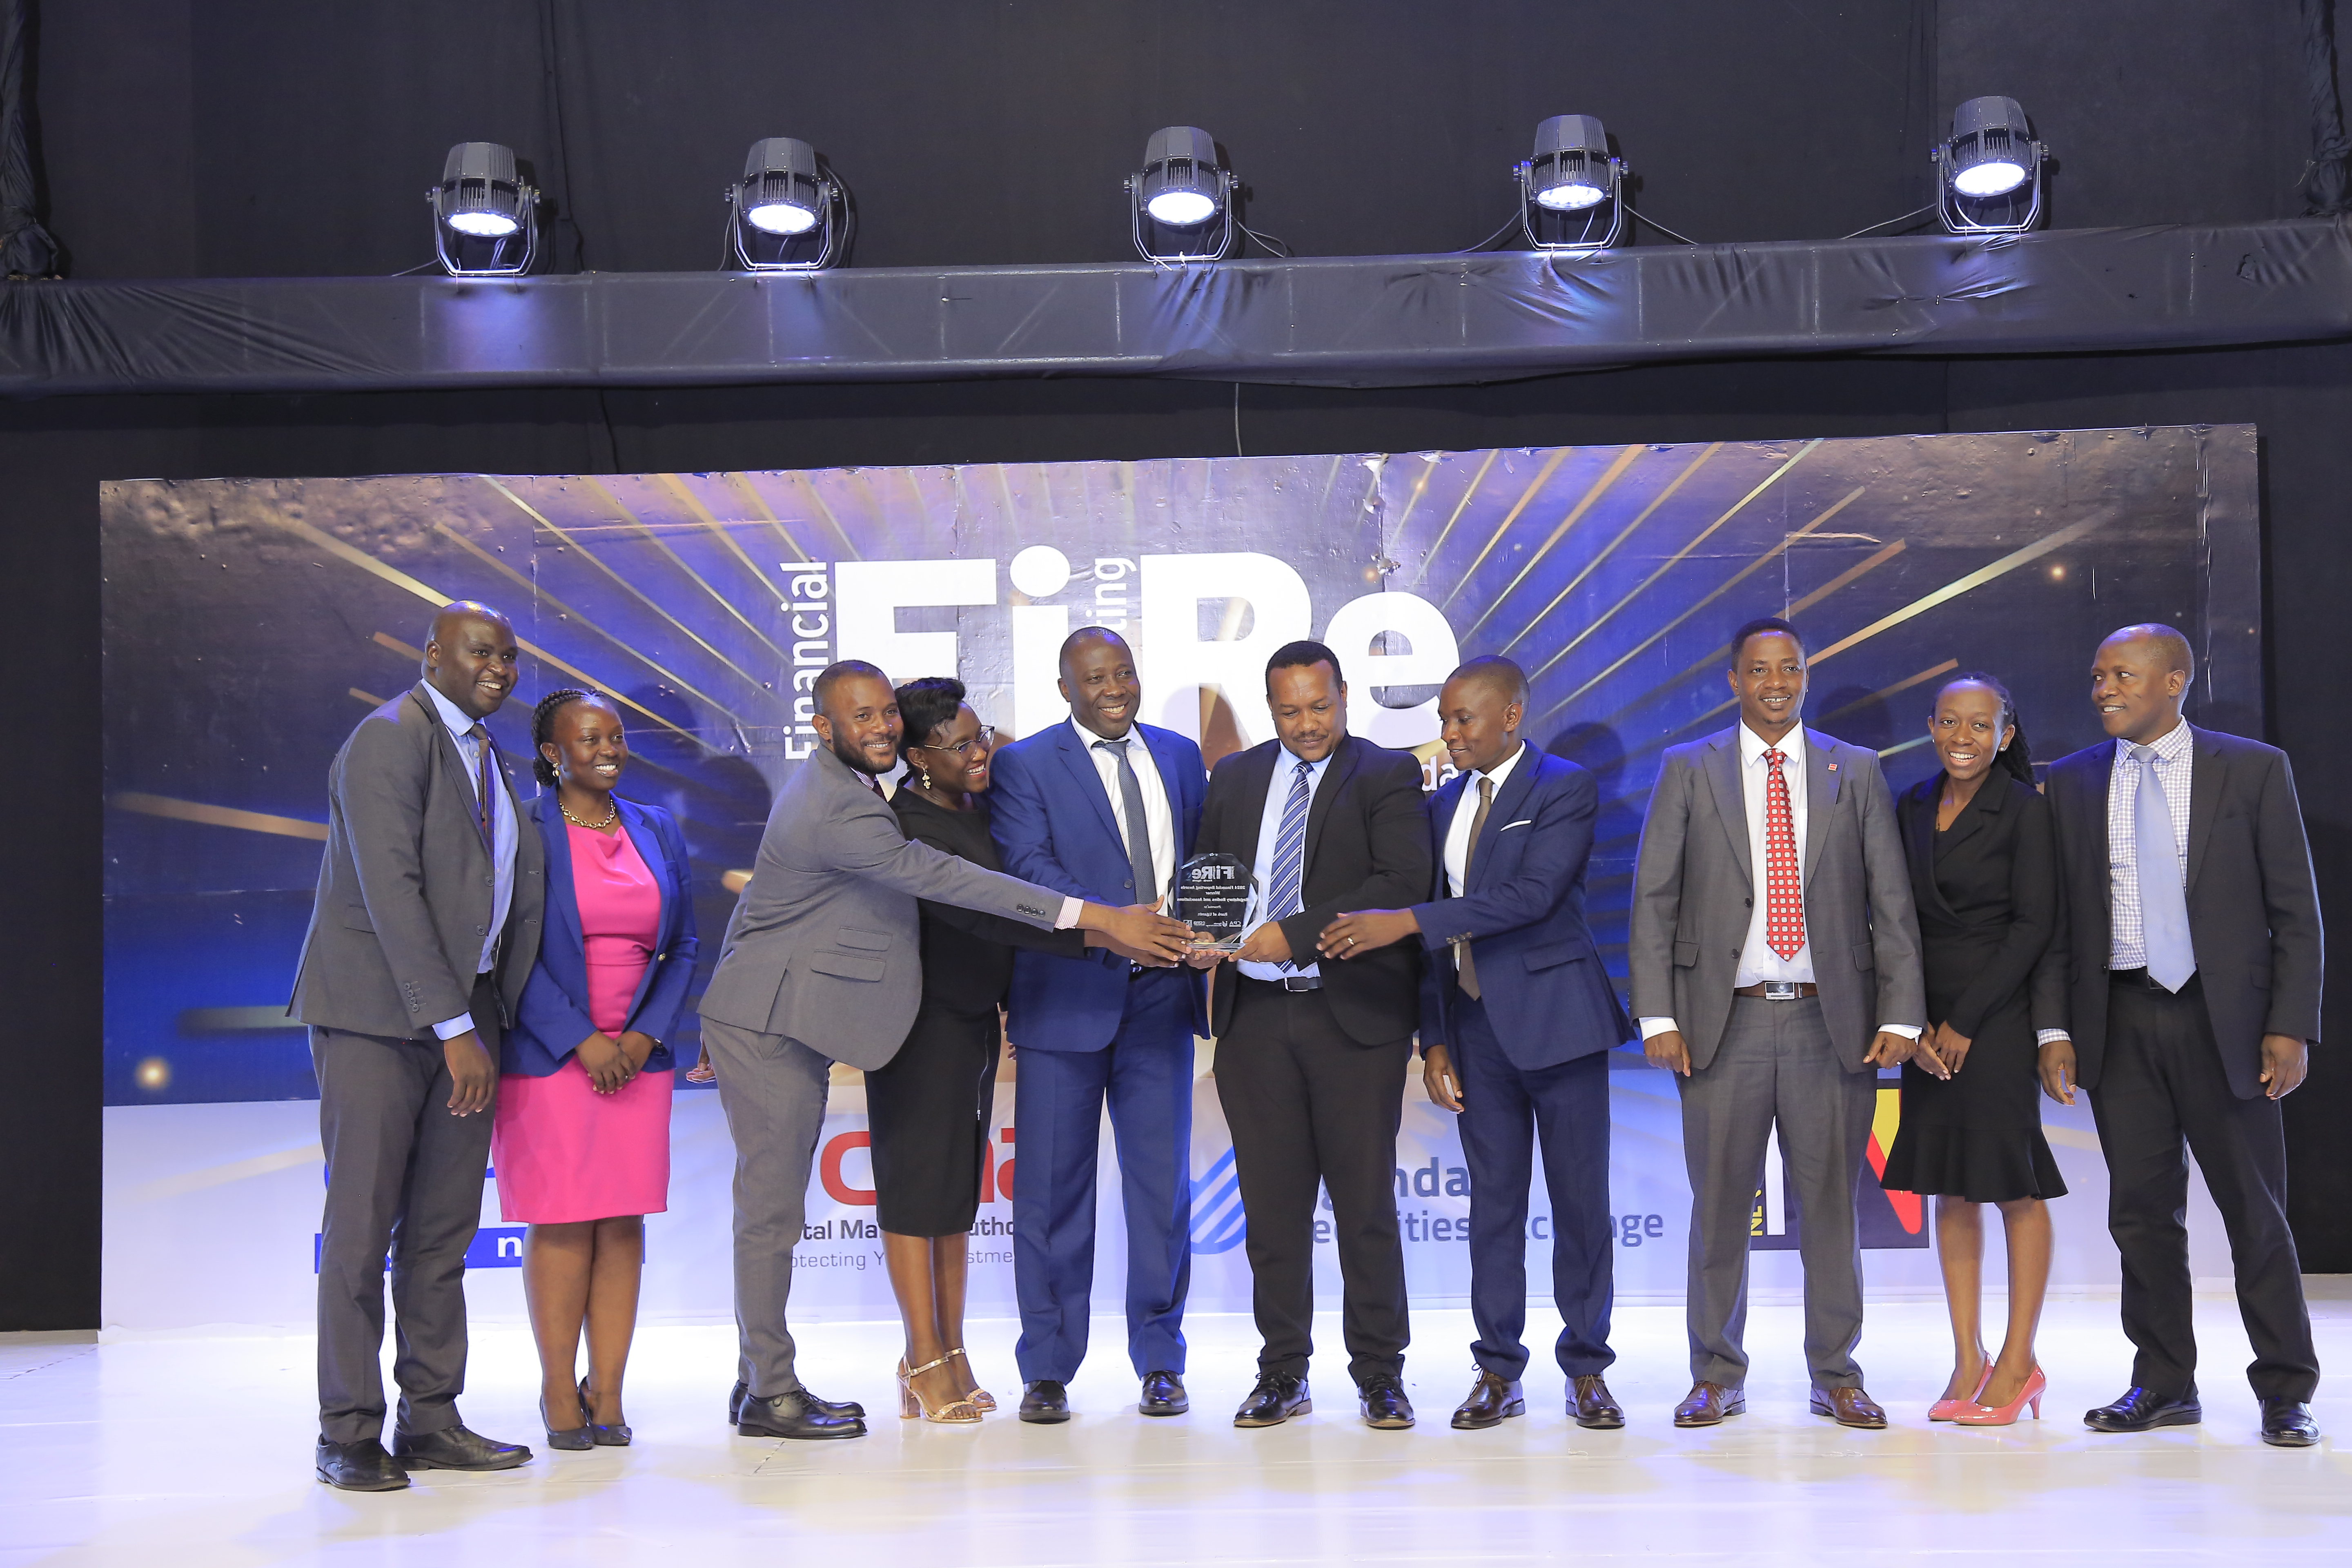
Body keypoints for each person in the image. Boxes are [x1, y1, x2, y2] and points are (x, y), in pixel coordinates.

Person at [695, 660, 1190, 1441]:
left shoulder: (860, 788)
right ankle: (770, 1390)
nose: (882, 727)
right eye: (861, 718)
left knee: (788, 1210)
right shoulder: (844, 807)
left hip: (791, 1010)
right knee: (773, 1215)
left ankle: (766, 1376)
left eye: (886, 713)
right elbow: (953, 884)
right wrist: (1102, 918)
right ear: (824, 729)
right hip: (772, 1022)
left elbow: (764, 901)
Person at [1321, 655, 1635, 1433]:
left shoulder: (1564, 786)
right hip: (1474, 1032)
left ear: (1512, 717)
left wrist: (1405, 922)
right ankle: (1498, 1370)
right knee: (1493, 1208)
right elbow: (1435, 942)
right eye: (1444, 721)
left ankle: (1588, 1368)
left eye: (1464, 719)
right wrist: (1434, 1041)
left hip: (1559, 1024)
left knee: (1580, 1204)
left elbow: (1531, 897)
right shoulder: (1442, 805)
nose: (1450, 734)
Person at [1628, 616, 1925, 1430]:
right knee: (1721, 1207)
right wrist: (1658, 1012)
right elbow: (1654, 897)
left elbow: (1889, 902)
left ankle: (1836, 1375)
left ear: (1806, 673)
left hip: (1831, 1023)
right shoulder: (1688, 769)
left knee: (1832, 1207)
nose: (1775, 683)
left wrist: (1902, 1011)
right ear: (1734, 679)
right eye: (1759, 669)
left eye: (1789, 668)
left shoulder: (1852, 770)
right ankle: (1717, 1375)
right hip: (1721, 1024)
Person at [2043, 624, 2324, 1447]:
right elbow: (2061, 921)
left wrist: (2289, 1025)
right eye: (2096, 677)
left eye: (2121, 675)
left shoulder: (2253, 768)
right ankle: (2164, 1383)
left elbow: (2295, 914)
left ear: (2174, 680)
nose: (2103, 690)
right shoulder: (2072, 782)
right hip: (2119, 1019)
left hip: (2225, 1022)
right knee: (2140, 1213)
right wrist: (2055, 1028)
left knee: (2255, 1214)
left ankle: (2284, 1389)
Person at [290, 602, 546, 1491]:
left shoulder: (487, 755)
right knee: (360, 1232)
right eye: (483, 651)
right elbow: (391, 891)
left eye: (511, 656)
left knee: (441, 1233)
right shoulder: (388, 738)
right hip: (380, 1020)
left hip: (465, 1020)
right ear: (432, 653)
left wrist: (482, 1018)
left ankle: (430, 1420)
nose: (501, 668)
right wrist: (453, 1027)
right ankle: (348, 1430)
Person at [875, 677, 1134, 1424]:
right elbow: (990, 919)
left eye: (980, 736)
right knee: (915, 1193)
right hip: (918, 1027)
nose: (980, 753)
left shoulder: (973, 805)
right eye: (959, 746)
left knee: (955, 1195)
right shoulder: (910, 825)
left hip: (973, 1023)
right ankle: (922, 1357)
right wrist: (1105, 930)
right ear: (919, 757)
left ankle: (947, 1352)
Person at [1188, 641, 1431, 1430]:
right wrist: (1200, 933)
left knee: (1364, 1206)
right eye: (1290, 711)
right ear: (1271, 709)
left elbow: (1401, 884)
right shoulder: (1234, 777)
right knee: (1272, 1209)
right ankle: (1281, 1372)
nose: (1307, 724)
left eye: (1319, 707)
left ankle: (1380, 1375)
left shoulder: (1386, 775)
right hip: (1253, 1022)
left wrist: (1291, 935)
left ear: (1344, 696)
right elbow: (1214, 877)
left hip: (1350, 1017)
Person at [987, 626, 1210, 1423]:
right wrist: (1115, 922)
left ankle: (1161, 1360)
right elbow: (1025, 869)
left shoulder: (1182, 755)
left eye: (1123, 673)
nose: (1113, 688)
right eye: (1095, 678)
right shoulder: (1023, 765)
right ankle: (1047, 1368)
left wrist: (1210, 930)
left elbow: (1205, 867)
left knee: (1161, 1194)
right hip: (1066, 998)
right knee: (1050, 1195)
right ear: (1065, 688)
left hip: (1161, 1004)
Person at [492, 689, 698, 1450]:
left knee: (622, 1222)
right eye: (590, 738)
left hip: (637, 1061)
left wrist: (644, 1036)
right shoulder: (521, 827)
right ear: (553, 753)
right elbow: (508, 947)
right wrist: (582, 1040)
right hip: (552, 1059)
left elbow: (684, 948)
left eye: (616, 736)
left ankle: (606, 1391)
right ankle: (557, 1392)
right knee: (565, 1220)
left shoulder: (656, 827)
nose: (609, 749)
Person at [1877, 674, 2067, 1426]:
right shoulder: (1914, 803)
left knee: (2013, 1187)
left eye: (1980, 725)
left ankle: (2021, 1363)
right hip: (1928, 1026)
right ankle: (1969, 1358)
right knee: (1951, 1190)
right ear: (1931, 726)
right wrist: (1915, 1022)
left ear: (2006, 735)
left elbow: (2034, 926)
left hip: (1994, 1022)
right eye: (1950, 721)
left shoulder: (2025, 810)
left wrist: (1965, 1023)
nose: (1964, 736)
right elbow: (1895, 921)